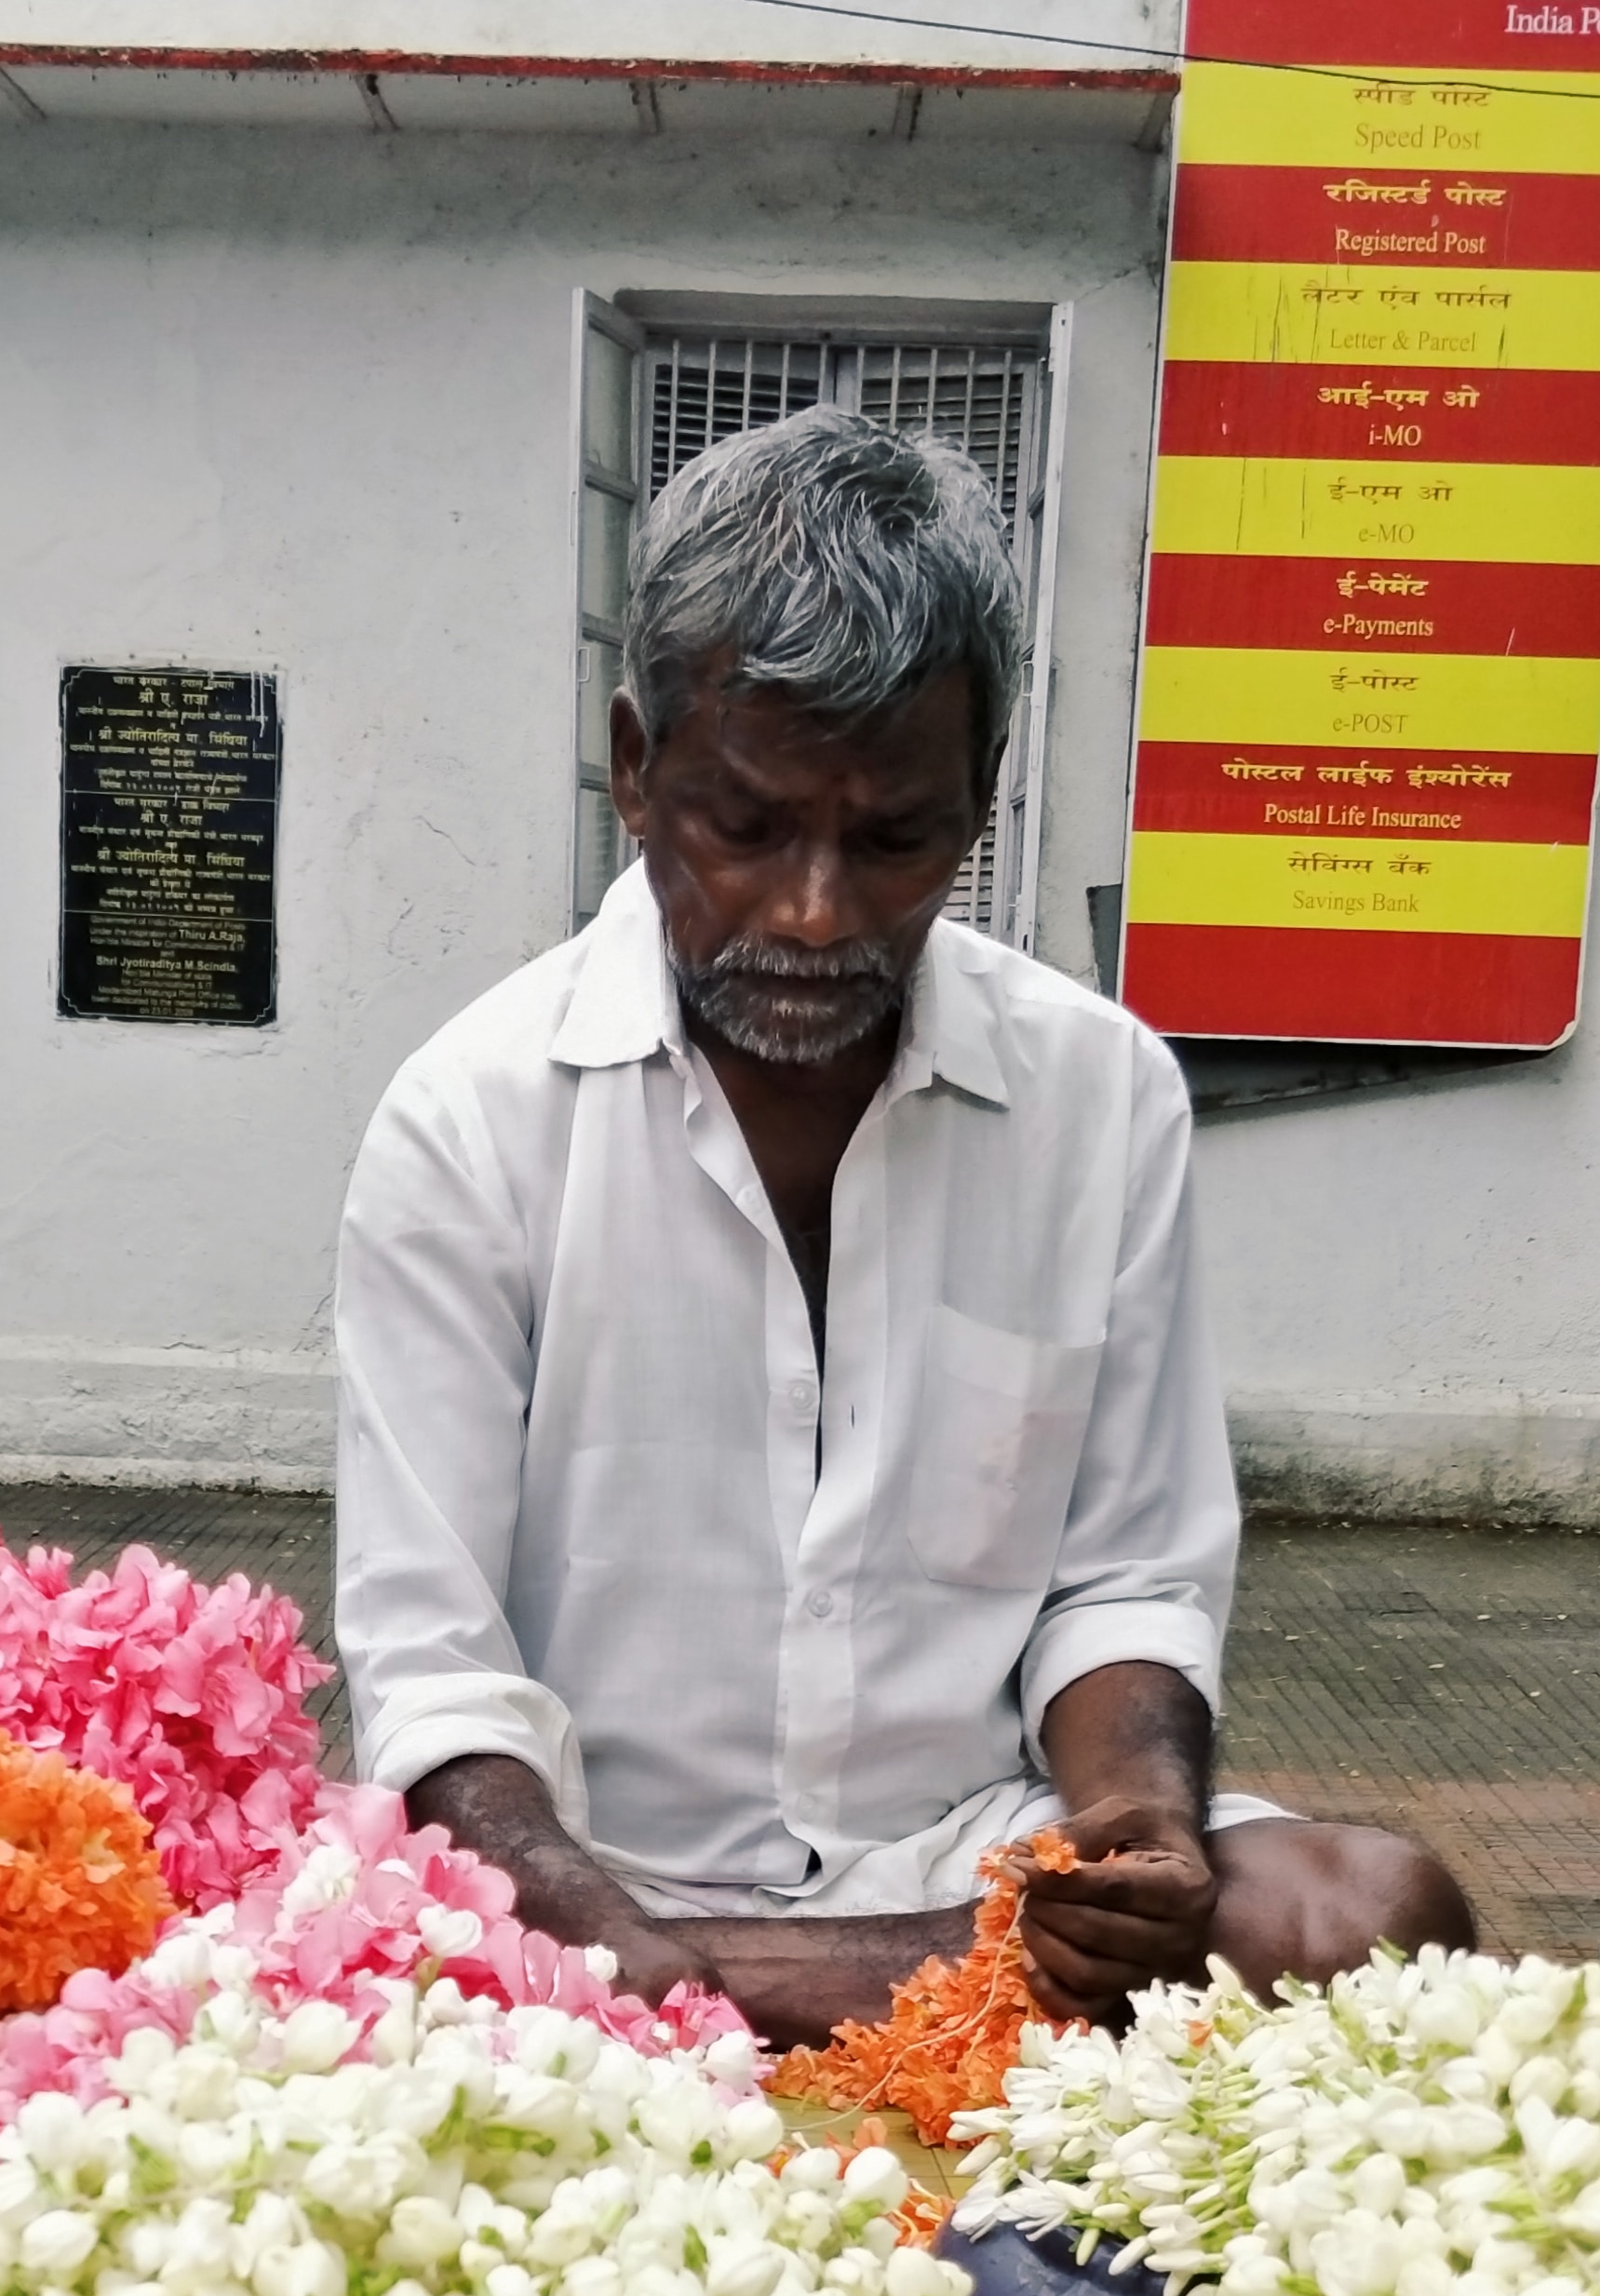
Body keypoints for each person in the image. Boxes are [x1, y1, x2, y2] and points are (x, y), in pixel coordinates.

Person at [330, 408, 1470, 2053]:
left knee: (1376, 1920)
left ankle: (767, 2002)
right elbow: (430, 1669)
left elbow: (1129, 1574)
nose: (814, 912)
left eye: (893, 840)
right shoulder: (469, 1122)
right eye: (747, 826)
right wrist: (600, 1933)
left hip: (980, 1863)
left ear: (978, 795)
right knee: (400, 1950)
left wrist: (1137, 1836)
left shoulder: (1103, 1098)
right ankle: (800, 1993)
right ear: (637, 767)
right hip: (593, 1885)